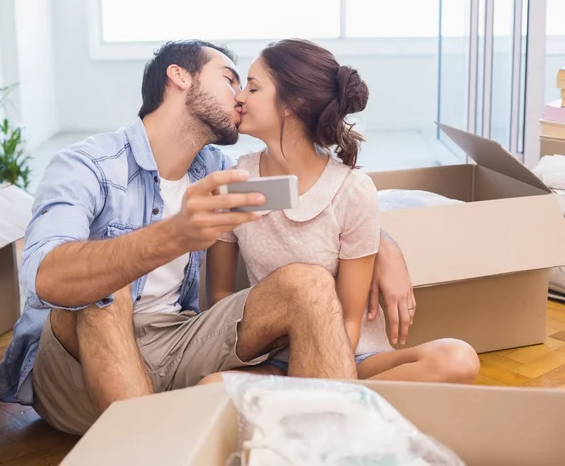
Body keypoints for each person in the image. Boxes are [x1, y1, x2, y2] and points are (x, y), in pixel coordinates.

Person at [0, 40, 418, 436]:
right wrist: (171, 236)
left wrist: (383, 244)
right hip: (77, 368)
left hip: (179, 342)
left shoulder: (221, 169)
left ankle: (326, 449)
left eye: (248, 87)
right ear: (180, 77)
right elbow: (43, 277)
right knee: (106, 289)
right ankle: (153, 449)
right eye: (231, 79)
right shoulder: (87, 165)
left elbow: (323, 200)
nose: (239, 97)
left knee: (307, 282)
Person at [200, 39, 480, 385]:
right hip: (274, 359)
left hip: (350, 354)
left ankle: (319, 400)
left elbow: (349, 320)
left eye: (253, 87)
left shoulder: (351, 190)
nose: (239, 96)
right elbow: (221, 299)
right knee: (210, 388)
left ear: (293, 103)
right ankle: (343, 405)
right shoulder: (237, 179)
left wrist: (321, 370)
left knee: (458, 359)